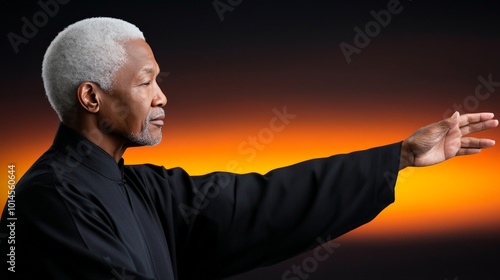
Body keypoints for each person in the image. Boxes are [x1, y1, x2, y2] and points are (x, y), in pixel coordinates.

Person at [0, 17, 497, 280]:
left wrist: (400, 157)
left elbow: (259, 203)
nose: (161, 96)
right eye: (147, 82)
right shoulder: (46, 202)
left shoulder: (137, 185)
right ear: (92, 96)